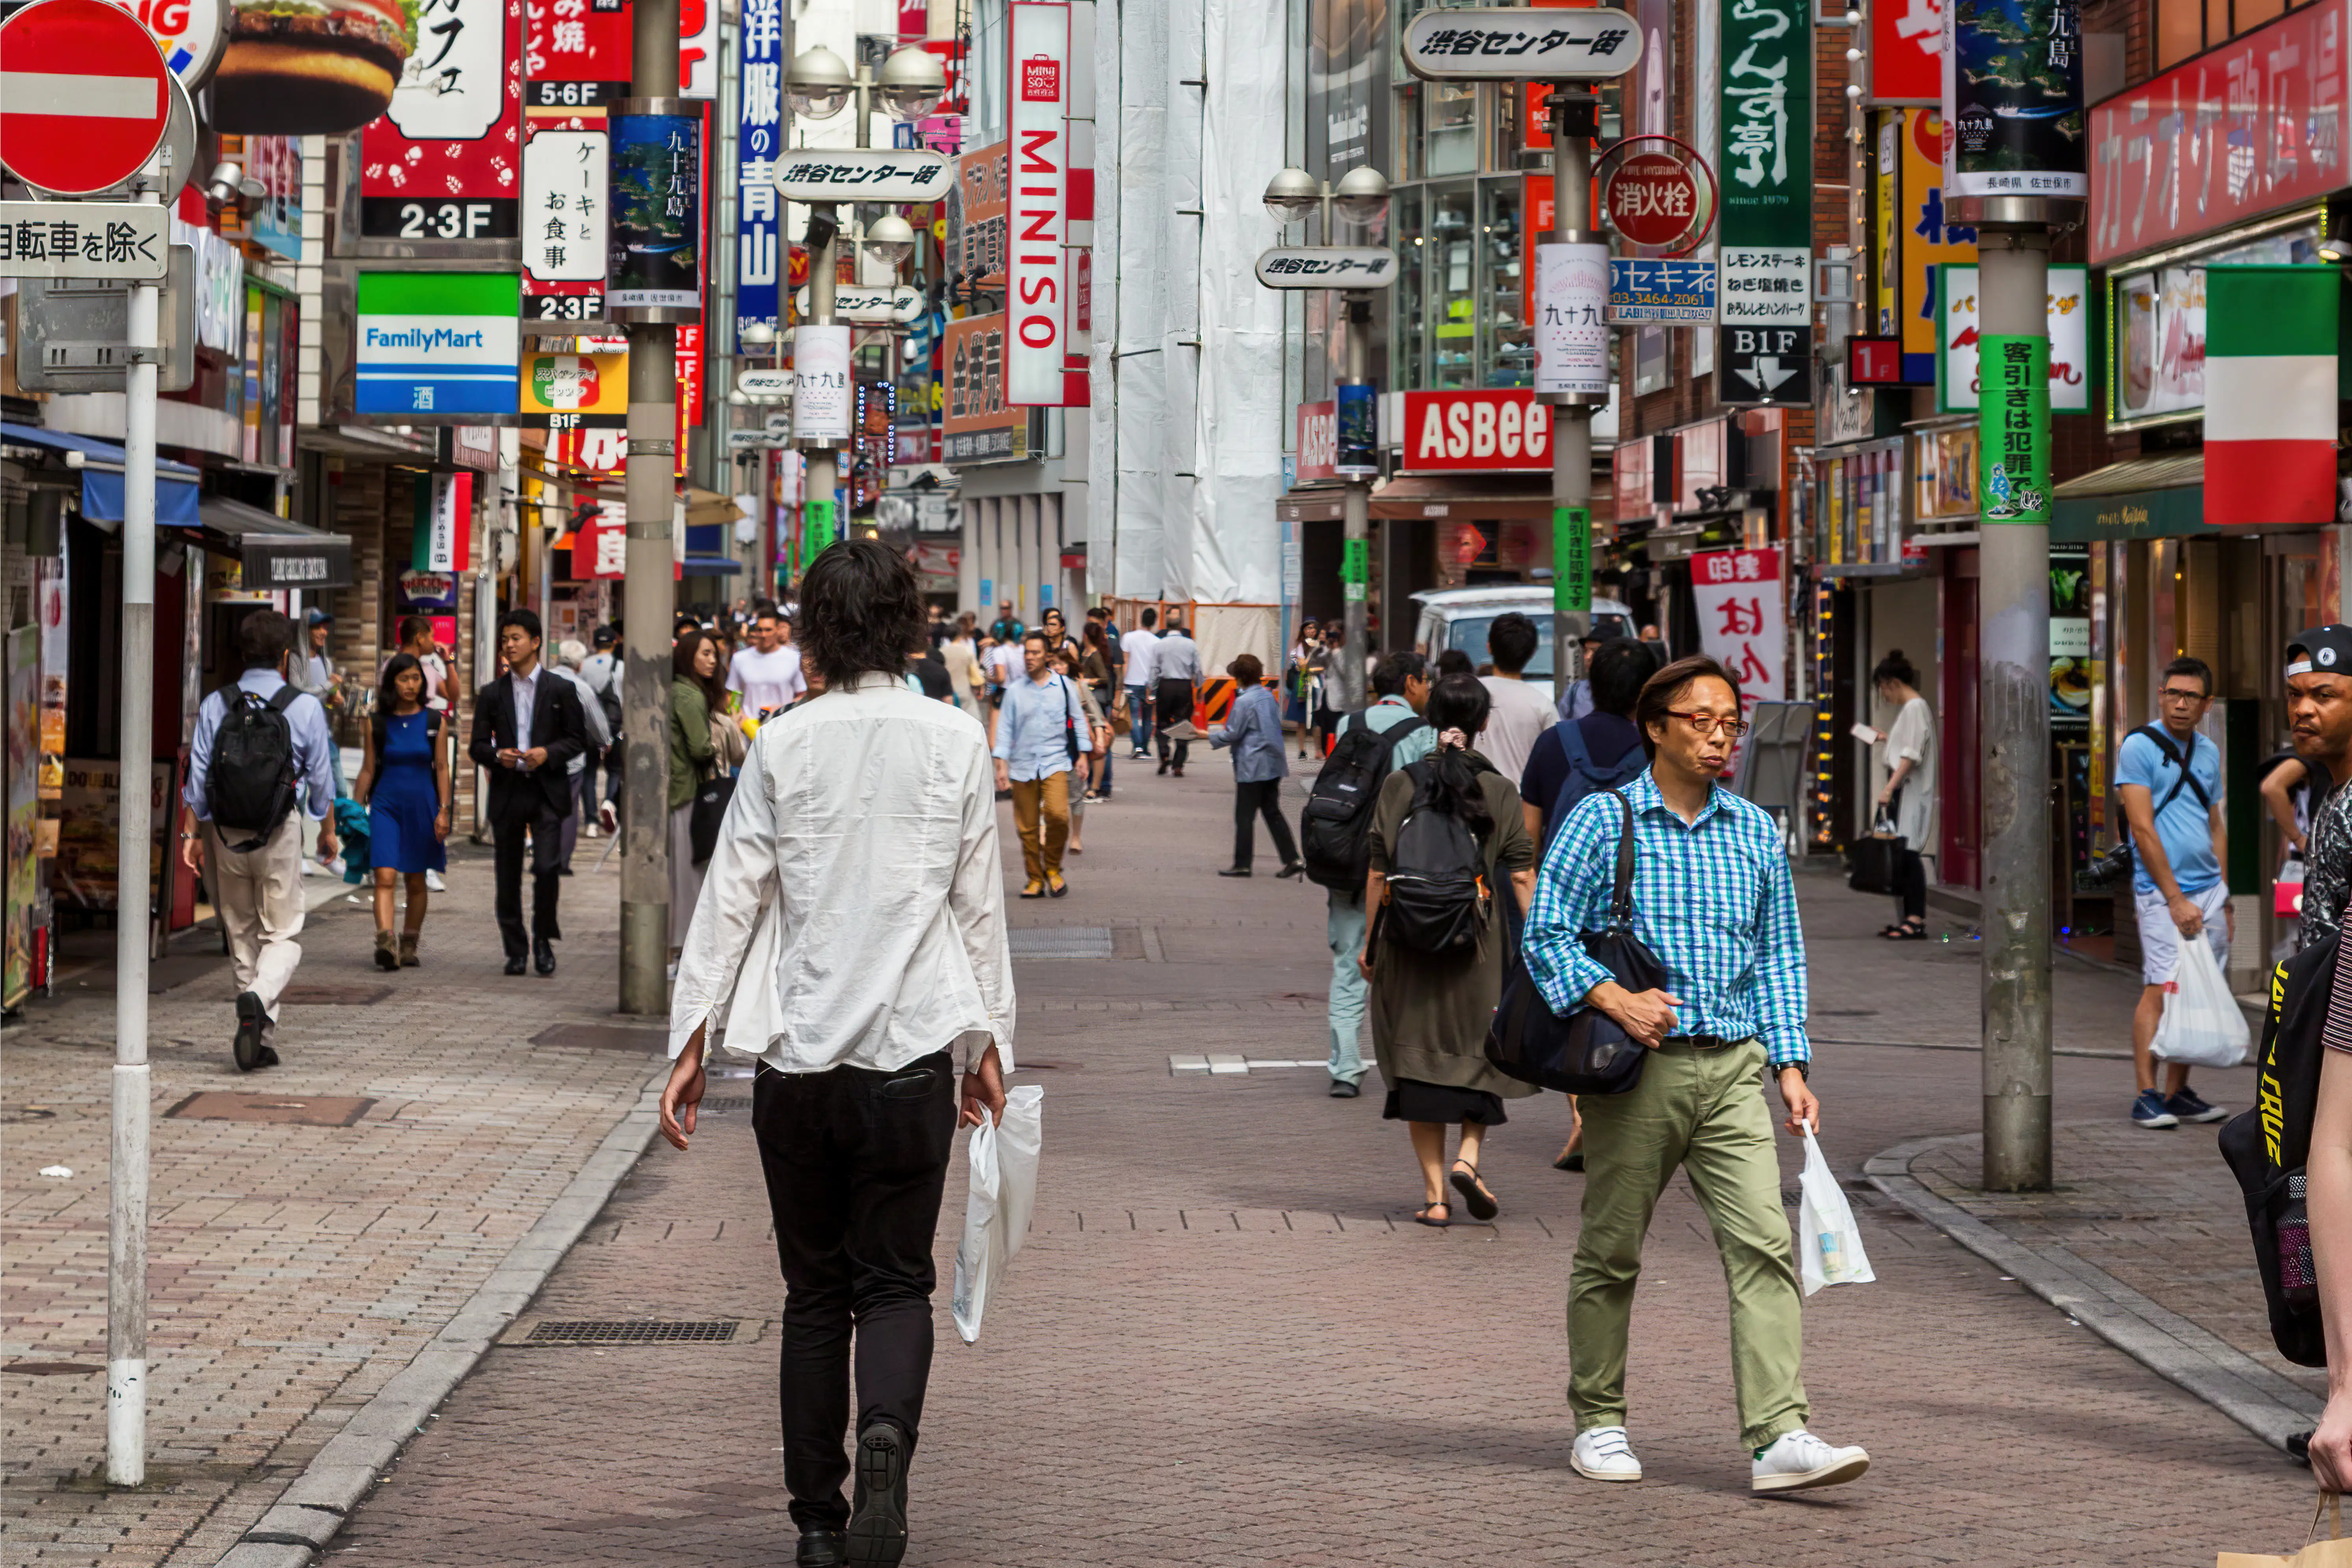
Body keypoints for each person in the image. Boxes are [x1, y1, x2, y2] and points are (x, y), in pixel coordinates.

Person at [660, 538, 1010, 1568]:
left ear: (813, 629)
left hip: (799, 1059)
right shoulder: (954, 738)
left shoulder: (782, 742)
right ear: (909, 624)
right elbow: (977, 913)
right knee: (895, 1280)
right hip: (909, 1056)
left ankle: (816, 1518)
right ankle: (887, 1434)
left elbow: (732, 897)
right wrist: (990, 1043)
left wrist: (691, 1038)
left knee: (814, 1293)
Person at [1526, 653, 1868, 1495]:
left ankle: (1778, 1434)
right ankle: (1598, 1421)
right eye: (1700, 720)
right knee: (1612, 1253)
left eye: (1730, 722)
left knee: (1763, 1248)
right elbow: (1545, 935)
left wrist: (1791, 1062)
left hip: (1734, 1071)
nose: (1720, 736)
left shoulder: (1754, 829)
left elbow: (1777, 954)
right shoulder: (1606, 822)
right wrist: (1615, 998)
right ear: (1655, 726)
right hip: (1639, 1071)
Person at [1360, 674, 1538, 1225]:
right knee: (1479, 1053)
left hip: (1408, 945)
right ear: (1483, 723)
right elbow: (1522, 877)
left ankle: (1435, 1199)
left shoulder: (1400, 784)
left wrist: (1371, 946)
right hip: (1477, 950)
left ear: (1432, 717)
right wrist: (1540, 949)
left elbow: (1376, 874)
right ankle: (1469, 1157)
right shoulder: (1500, 790)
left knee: (1416, 1060)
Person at [1516, 635, 1652, 1173]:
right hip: (1639, 908)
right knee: (1636, 1010)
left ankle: (1580, 1113)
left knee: (1576, 1006)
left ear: (1590, 687)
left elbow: (1528, 839)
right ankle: (1618, 1118)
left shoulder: (1555, 743)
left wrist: (1530, 896)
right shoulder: (1655, 749)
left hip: (1567, 900)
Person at [180, 610, 338, 1071]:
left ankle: (258, 1035)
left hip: (225, 834)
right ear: (287, 656)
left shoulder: (216, 703)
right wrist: (326, 827)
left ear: (242, 654)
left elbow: (198, 776)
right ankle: (258, 999)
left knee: (241, 932)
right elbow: (321, 781)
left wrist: (193, 834)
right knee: (284, 934)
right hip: (279, 832)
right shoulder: (303, 706)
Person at [2116, 655, 2231, 1130]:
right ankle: (2146, 1094)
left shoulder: (2207, 751)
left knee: (2197, 990)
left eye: (2190, 697)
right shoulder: (2138, 747)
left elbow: (2215, 823)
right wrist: (2174, 898)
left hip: (2207, 890)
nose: (2180, 704)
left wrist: (2222, 892)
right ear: (2161, 695)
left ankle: (2176, 1091)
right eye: (2172, 694)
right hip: (2161, 892)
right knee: (2162, 986)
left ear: (2206, 703)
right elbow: (2142, 829)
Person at [1325, 651, 1435, 1097]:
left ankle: (1345, 1069)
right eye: (1425, 682)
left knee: (1349, 960)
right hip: (1401, 865)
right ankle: (1408, 1064)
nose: (1427, 690)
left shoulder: (1347, 725)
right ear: (1410, 683)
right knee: (1409, 965)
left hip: (1346, 861)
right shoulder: (1422, 733)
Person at [469, 609, 590, 977]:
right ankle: (515, 947)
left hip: (547, 790)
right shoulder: (492, 693)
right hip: (508, 790)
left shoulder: (561, 689)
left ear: (536, 642)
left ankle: (543, 939)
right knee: (507, 874)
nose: (509, 645)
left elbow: (577, 740)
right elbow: (476, 747)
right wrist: (496, 755)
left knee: (547, 867)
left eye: (516, 638)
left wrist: (547, 754)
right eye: (505, 639)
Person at [354, 652, 451, 970]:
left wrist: (444, 810)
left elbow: (442, 768)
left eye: (416, 678)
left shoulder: (436, 722)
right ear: (391, 683)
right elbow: (368, 769)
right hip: (385, 805)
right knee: (384, 874)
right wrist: (354, 810)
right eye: (403, 678)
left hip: (423, 806)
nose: (411, 685)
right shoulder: (376, 722)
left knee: (416, 879)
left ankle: (410, 942)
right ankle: (386, 941)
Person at [994, 630, 1091, 898]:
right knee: (1027, 827)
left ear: (1047, 656)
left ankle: (1052, 868)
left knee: (1059, 816)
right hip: (1023, 766)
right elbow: (1004, 729)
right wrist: (1000, 765)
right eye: (1027, 652)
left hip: (1055, 762)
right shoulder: (1014, 691)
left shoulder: (1063, 686)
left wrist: (1083, 755)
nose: (1030, 658)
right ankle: (1035, 878)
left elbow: (1079, 720)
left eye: (1036, 653)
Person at [1207, 653, 1301, 878]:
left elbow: (1233, 733)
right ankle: (1293, 859)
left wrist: (1205, 735)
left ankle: (1243, 864)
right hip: (1273, 762)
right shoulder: (1269, 697)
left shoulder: (1244, 701)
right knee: (1272, 812)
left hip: (1252, 765)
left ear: (1239, 677)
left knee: (1245, 817)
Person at [1868, 650, 1938, 942]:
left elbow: (1910, 756)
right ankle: (1911, 919)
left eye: (1882, 689)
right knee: (1906, 855)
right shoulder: (1915, 708)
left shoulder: (1913, 708)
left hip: (1907, 790)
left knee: (1909, 856)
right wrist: (1887, 739)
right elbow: (1909, 747)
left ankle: (1914, 920)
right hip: (1906, 790)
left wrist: (1888, 788)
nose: (1884, 696)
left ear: (1891, 682)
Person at [670, 629, 731, 948]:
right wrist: (714, 749)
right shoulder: (690, 696)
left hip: (676, 790)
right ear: (688, 655)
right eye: (705, 653)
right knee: (690, 874)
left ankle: (678, 945)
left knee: (682, 873)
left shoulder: (678, 691)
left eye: (714, 654)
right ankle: (684, 945)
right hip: (687, 793)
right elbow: (699, 748)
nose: (712, 661)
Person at [287, 606, 349, 854]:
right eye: (318, 627)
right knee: (299, 798)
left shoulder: (327, 661)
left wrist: (335, 698)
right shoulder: (293, 658)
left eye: (325, 627)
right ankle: (297, 852)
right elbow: (296, 692)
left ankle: (335, 849)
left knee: (340, 791)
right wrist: (328, 684)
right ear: (306, 630)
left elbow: (323, 697)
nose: (324, 632)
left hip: (324, 735)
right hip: (300, 737)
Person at [552, 640, 614, 875]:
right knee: (568, 809)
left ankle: (543, 854)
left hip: (539, 756)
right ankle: (562, 861)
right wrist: (605, 742)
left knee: (543, 806)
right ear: (579, 666)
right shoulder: (581, 688)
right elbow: (597, 721)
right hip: (571, 759)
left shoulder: (541, 681)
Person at [1476, 611, 1557, 785]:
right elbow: (1553, 765)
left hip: (1469, 801)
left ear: (1489, 647)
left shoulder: (1467, 692)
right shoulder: (1543, 705)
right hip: (1521, 807)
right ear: (1533, 653)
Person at [1051, 646, 1110, 852]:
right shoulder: (1040, 688)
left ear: (1070, 666)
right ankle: (1047, 835)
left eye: (1062, 663)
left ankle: (1075, 837)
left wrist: (1100, 739)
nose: (1057, 668)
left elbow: (1096, 715)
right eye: (1053, 664)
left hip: (1073, 745)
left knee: (1075, 794)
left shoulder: (1078, 686)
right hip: (1048, 746)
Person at [729, 607, 808, 718]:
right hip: (748, 729)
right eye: (760, 630)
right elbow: (733, 695)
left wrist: (781, 709)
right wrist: (738, 719)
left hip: (782, 725)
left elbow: (803, 695)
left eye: (768, 630)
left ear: (777, 630)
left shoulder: (794, 658)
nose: (764, 635)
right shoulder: (740, 658)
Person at [1153, 618, 1203, 776]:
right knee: (1183, 723)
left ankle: (1164, 753)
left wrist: (1151, 688)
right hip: (1184, 687)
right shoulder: (1191, 644)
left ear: (1167, 627)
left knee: (1162, 722)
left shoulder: (1159, 645)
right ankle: (1178, 765)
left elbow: (1154, 669)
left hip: (1166, 685)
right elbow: (1198, 669)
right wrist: (1199, 687)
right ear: (1181, 627)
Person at [1079, 620, 1118, 801]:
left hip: (1096, 701)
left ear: (1087, 636)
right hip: (1088, 700)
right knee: (1092, 741)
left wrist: (1088, 681)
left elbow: (1104, 678)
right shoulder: (1087, 652)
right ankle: (1095, 783)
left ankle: (1103, 784)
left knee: (1100, 741)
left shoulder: (1094, 654)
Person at [1123, 608, 1162, 758]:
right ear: (1154, 622)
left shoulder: (1128, 637)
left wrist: (1123, 682)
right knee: (1148, 717)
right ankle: (1145, 748)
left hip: (1132, 682)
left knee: (1133, 716)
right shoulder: (1157, 642)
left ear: (1141, 619)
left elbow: (1125, 660)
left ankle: (1138, 748)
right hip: (1150, 684)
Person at [941, 614, 985, 724]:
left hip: (948, 692)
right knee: (970, 721)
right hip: (964, 690)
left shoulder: (942, 652)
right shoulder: (967, 650)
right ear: (959, 635)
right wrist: (980, 687)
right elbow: (976, 675)